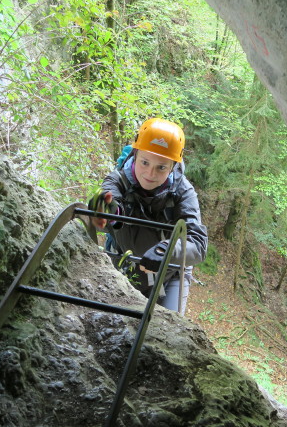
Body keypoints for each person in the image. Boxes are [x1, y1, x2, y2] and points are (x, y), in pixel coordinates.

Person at [88, 118, 207, 315]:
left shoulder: (183, 192)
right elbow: (111, 213)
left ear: (173, 166)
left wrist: (166, 250)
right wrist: (107, 213)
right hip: (123, 267)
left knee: (168, 329)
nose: (150, 173)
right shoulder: (117, 181)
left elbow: (198, 243)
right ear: (135, 154)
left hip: (169, 275)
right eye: (144, 162)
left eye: (161, 167)